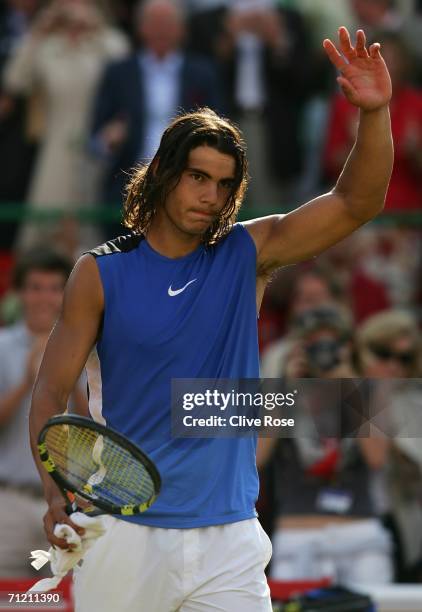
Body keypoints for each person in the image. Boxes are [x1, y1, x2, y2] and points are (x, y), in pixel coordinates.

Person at [30, 27, 393, 611]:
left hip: (230, 539)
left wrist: (374, 114)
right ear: (167, 174)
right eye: (198, 177)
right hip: (123, 532)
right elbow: (49, 391)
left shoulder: (250, 253)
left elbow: (358, 202)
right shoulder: (98, 273)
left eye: (224, 185)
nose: (210, 195)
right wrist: (55, 492)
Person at [257, 304, 393, 586]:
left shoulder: (366, 390)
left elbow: (377, 457)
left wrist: (347, 386)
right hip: (298, 533)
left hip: (360, 533)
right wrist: (284, 389)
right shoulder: (281, 392)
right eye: (313, 345)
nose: (324, 354)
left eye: (332, 344)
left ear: (348, 347)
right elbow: (257, 456)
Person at [90, 0, 224, 232]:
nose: (161, 30)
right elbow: (96, 139)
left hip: (187, 181)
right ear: (140, 28)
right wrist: (108, 139)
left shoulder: (202, 73)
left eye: (168, 24)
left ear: (182, 30)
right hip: (128, 184)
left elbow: (221, 129)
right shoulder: (119, 73)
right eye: (154, 23)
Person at [0, 247, 86, 577]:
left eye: (55, 288)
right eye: (35, 287)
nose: (45, 298)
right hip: (9, 501)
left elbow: (95, 431)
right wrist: (26, 381)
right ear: (20, 293)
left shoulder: (91, 353)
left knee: (74, 600)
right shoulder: (3, 346)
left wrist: (64, 376)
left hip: (72, 505)